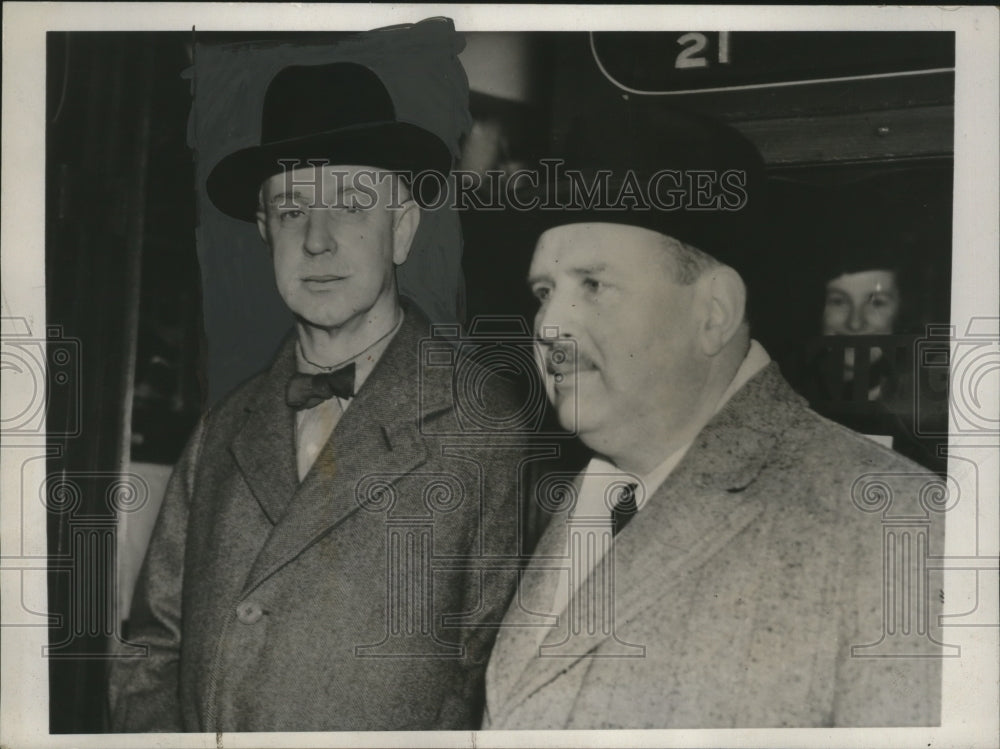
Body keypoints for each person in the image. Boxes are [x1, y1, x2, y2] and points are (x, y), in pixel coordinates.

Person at [482, 106, 945, 729]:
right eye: (544, 292)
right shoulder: (559, 501)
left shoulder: (895, 521)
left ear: (715, 313)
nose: (548, 326)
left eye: (591, 285)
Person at [109, 54, 524, 732]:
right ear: (264, 230)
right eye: (292, 209)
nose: (318, 240)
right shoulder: (222, 429)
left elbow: (496, 683)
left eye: (352, 206)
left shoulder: (482, 424)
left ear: (403, 228)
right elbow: (153, 650)